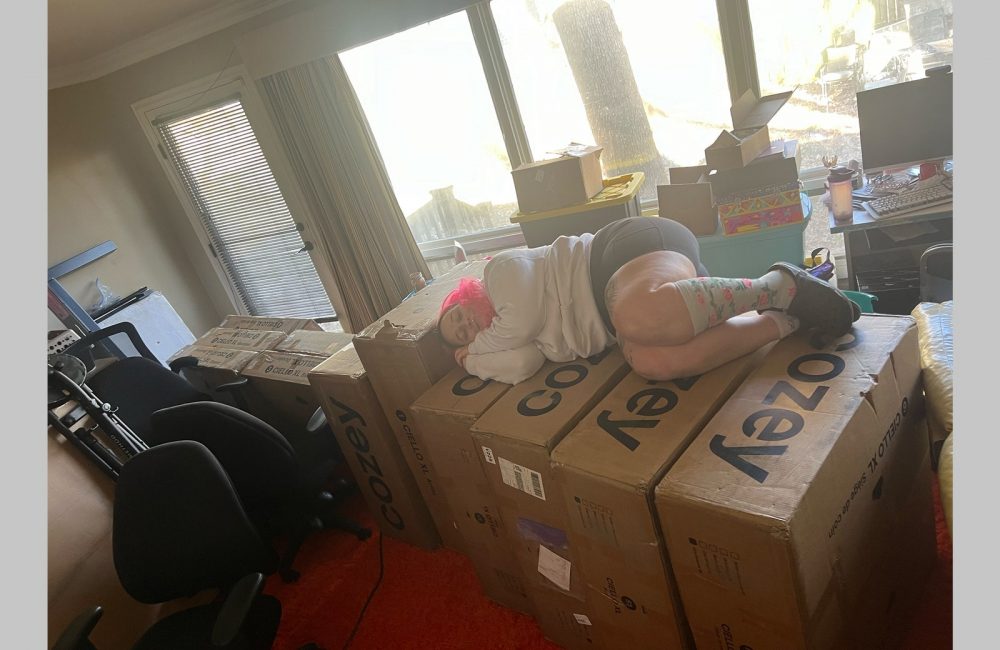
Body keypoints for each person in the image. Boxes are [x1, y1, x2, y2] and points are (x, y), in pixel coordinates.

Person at [437, 217, 860, 385]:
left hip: (623, 252)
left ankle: (779, 285)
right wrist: (474, 362)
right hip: (628, 315)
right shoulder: (504, 342)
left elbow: (524, 321)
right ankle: (786, 320)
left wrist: (475, 348)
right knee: (651, 362)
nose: (465, 327)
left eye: (457, 316)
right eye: (460, 336)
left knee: (634, 313)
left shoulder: (499, 273)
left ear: (462, 297)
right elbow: (521, 364)